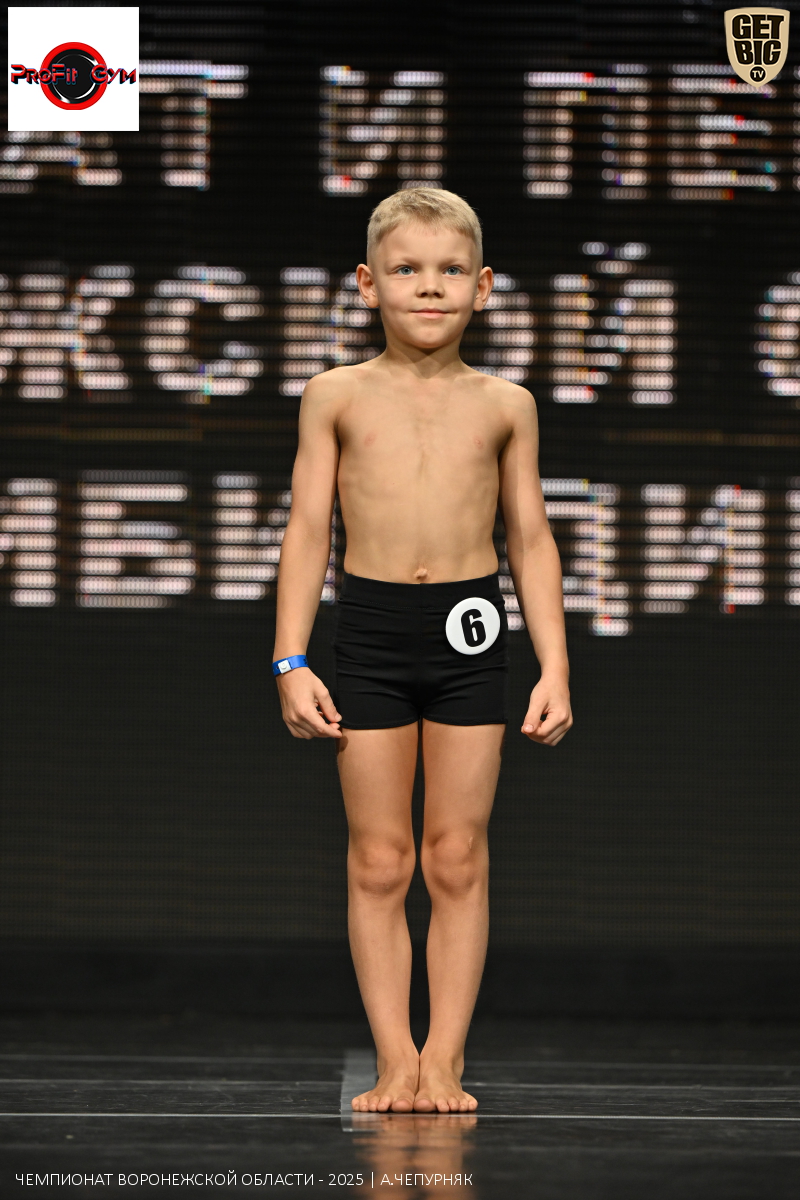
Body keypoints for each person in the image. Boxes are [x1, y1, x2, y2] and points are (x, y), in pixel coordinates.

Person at [272, 187, 572, 1114]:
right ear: (369, 284)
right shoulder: (335, 394)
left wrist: (556, 665)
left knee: (456, 856)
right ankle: (393, 1060)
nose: (429, 288)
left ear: (483, 287)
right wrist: (290, 659)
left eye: (450, 271)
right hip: (369, 629)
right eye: (407, 270)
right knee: (379, 858)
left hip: (468, 628)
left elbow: (530, 537)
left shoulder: (507, 404)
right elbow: (307, 529)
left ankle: (443, 1061)